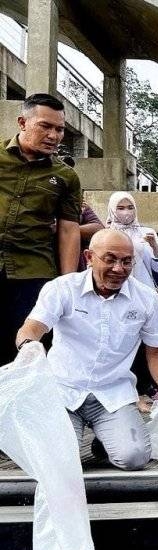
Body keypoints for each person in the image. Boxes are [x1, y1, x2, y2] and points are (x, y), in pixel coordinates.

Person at [13, 229, 158, 470]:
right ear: (89, 257)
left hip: (112, 393)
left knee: (134, 458)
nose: (119, 269)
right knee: (59, 463)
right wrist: (29, 348)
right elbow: (32, 328)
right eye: (110, 259)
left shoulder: (147, 299)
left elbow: (156, 351)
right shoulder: (63, 288)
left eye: (127, 261)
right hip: (63, 391)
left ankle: (105, 442)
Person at [0, 93, 82, 364]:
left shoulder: (66, 176)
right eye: (45, 126)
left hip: (33, 272)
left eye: (59, 129)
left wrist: (68, 284)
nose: (54, 135)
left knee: (25, 351)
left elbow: (69, 230)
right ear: (23, 122)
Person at [104, 191, 158, 291]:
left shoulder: (147, 232)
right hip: (115, 290)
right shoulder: (106, 234)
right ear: (112, 210)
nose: (126, 211)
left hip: (143, 289)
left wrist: (155, 248)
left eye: (130, 207)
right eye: (120, 208)